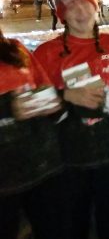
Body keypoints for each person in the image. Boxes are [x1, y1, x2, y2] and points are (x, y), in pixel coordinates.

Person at [34, 0, 109, 239]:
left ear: (95, 6)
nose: (80, 10)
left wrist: (105, 104)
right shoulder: (47, 53)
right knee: (73, 224)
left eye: (85, 2)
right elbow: (34, 101)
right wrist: (66, 96)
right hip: (69, 152)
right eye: (70, 6)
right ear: (61, 14)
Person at [0, 25, 67, 239]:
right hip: (4, 176)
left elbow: (43, 86)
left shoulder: (14, 48)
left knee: (52, 229)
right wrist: (7, 108)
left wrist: (54, 104)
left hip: (41, 163)